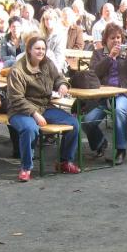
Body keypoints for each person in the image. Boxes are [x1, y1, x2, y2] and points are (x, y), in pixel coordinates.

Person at [6, 36, 80, 181]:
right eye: (37, 48)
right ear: (29, 50)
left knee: (74, 124)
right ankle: (26, 167)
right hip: (20, 110)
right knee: (29, 129)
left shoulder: (47, 63)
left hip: (44, 106)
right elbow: (16, 98)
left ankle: (65, 162)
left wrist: (62, 85)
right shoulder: (17, 70)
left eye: (43, 49)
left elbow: (58, 77)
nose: (41, 51)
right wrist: (34, 113)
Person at [83, 23, 127, 164]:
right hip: (103, 97)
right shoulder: (98, 54)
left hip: (125, 95)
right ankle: (100, 142)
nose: (116, 41)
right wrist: (110, 58)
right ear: (105, 40)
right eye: (112, 38)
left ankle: (120, 150)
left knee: (119, 110)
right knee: (87, 121)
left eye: (118, 38)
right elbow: (94, 74)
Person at [39, 8, 67, 73]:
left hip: (55, 65)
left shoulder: (60, 35)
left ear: (55, 20)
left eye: (51, 19)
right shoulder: (41, 35)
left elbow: (59, 55)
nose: (48, 21)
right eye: (46, 19)